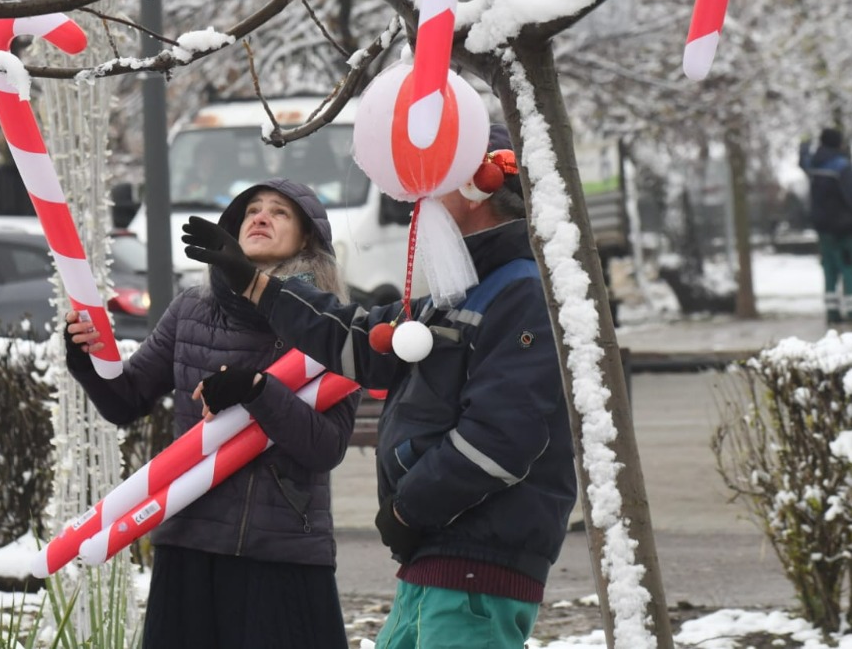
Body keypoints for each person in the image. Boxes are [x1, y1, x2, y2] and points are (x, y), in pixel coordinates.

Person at [182, 125, 577, 649]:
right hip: (436, 557)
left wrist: (408, 509)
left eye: (428, 185)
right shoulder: (456, 292)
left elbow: (501, 439)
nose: (415, 204)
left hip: (479, 566)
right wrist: (256, 285)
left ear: (477, 187)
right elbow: (364, 341)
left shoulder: (520, 292)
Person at [63, 178, 356, 649]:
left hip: (283, 550)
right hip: (190, 543)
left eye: (279, 212)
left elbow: (325, 447)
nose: (259, 217)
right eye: (251, 210)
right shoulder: (190, 310)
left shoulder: (331, 326)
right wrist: (85, 360)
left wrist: (258, 391)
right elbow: (126, 400)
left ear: (307, 240)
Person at [799, 128, 852, 324]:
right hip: (843, 226)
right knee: (847, 266)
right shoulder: (841, 166)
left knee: (829, 267)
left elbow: (802, 160)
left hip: (821, 225)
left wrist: (804, 141)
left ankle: (832, 312)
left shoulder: (813, 164)